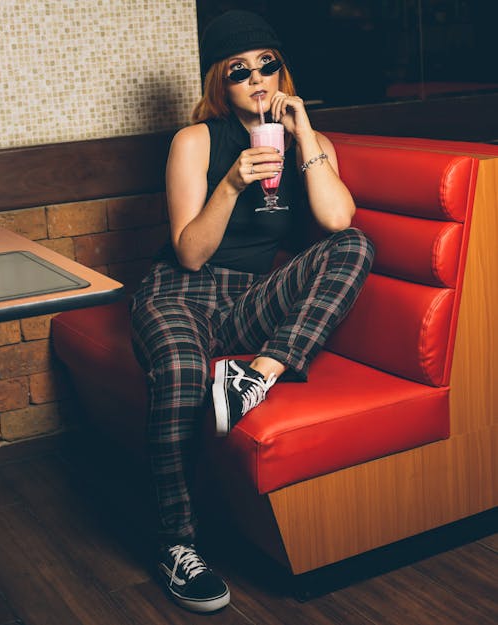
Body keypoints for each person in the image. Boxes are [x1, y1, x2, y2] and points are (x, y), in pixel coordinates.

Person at [130, 9, 374, 614]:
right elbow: (188, 253)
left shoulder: (306, 144)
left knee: (356, 246)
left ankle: (257, 374)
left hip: (249, 300)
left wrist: (306, 129)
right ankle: (177, 545)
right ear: (221, 82)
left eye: (268, 65)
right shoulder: (196, 141)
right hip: (179, 294)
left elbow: (338, 222)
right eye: (240, 71)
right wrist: (232, 185)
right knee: (185, 374)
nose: (258, 80)